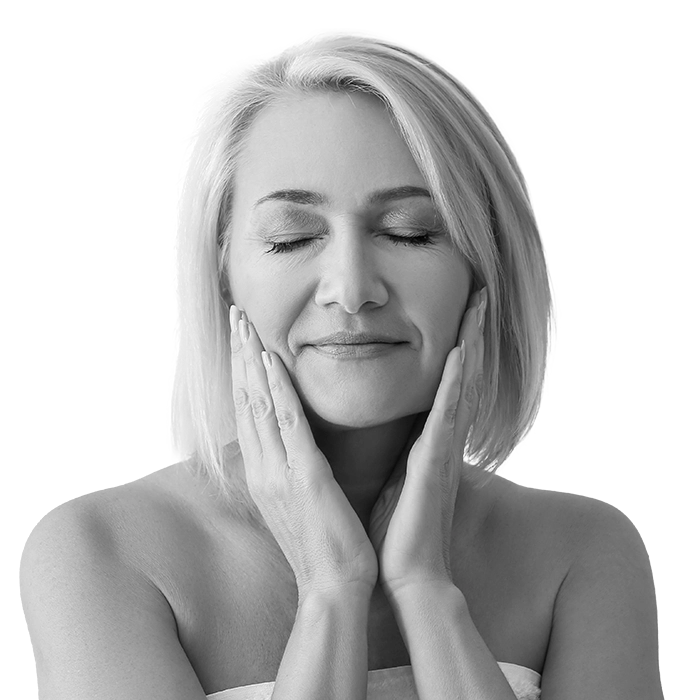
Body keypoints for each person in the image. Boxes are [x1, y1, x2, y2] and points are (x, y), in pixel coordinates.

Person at [18, 31, 663, 699]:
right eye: (292, 238)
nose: (351, 289)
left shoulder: (584, 553)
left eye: (409, 231)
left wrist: (425, 588)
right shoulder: (101, 552)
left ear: (484, 265)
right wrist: (331, 589)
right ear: (225, 270)